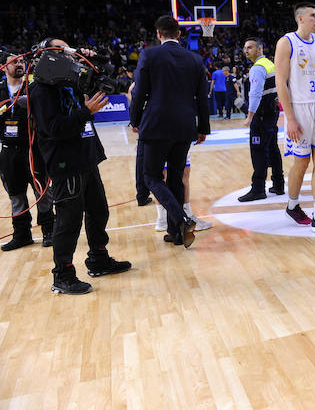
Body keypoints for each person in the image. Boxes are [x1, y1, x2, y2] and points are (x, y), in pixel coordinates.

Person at [30, 38, 132, 294]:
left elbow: (104, 78)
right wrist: (84, 113)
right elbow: (52, 129)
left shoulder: (72, 81)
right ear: (48, 56)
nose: (68, 54)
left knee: (99, 212)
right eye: (62, 50)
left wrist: (92, 58)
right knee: (68, 221)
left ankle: (98, 259)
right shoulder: (41, 90)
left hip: (86, 157)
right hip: (66, 164)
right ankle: (62, 276)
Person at [131, 16, 210, 248]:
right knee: (176, 178)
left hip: (156, 125)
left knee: (152, 177)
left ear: (158, 34)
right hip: (185, 127)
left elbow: (139, 94)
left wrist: (135, 120)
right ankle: (176, 233)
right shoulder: (195, 59)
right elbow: (202, 99)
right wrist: (202, 128)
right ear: (178, 34)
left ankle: (181, 219)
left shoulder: (149, 55)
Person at [275, 2, 315, 234]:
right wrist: (289, 117)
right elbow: (280, 82)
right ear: (300, 18)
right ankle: (293, 206)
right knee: (301, 161)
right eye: (313, 15)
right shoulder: (286, 42)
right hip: (299, 109)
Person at [0, 51, 54, 250]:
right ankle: (22, 234)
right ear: (4, 67)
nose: (19, 65)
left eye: (21, 61)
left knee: (42, 190)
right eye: (14, 63)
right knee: (15, 193)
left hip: (33, 148)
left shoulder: (33, 88)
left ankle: (49, 230)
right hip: (8, 151)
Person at [238, 37, 285, 201]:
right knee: (272, 147)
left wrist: (250, 116)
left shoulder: (258, 68)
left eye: (249, 47)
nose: (246, 51)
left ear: (259, 49)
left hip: (262, 114)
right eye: (245, 48)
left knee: (258, 151)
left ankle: (258, 188)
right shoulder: (270, 64)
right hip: (272, 113)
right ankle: (278, 185)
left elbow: (255, 93)